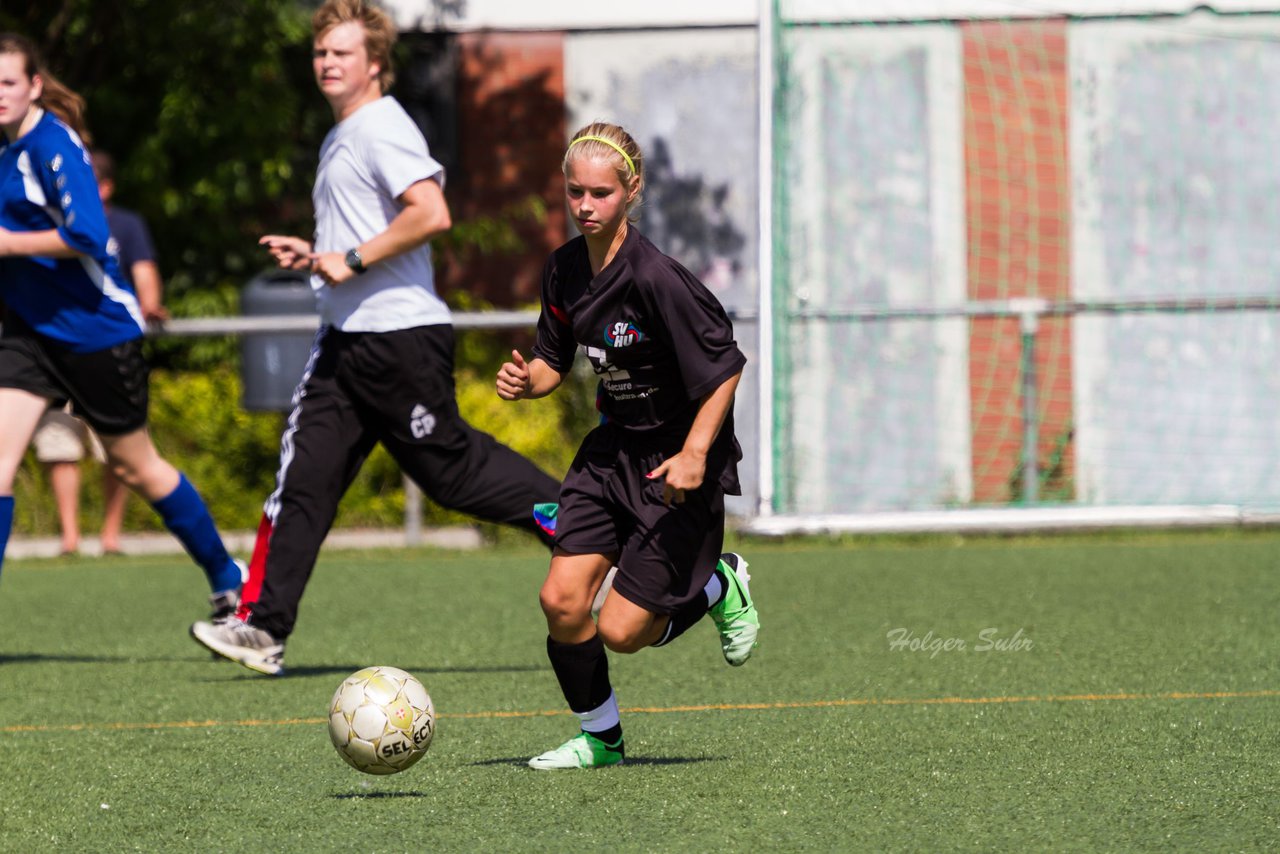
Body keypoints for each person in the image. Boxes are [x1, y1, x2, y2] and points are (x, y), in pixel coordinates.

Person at [189, 0, 560, 677]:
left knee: (453, 473)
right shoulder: (344, 133)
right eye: (321, 53)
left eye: (342, 53)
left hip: (398, 339)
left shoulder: (380, 127)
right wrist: (320, 254)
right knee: (303, 481)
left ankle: (581, 523)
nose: (327, 63)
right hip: (346, 340)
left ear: (377, 63)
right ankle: (262, 628)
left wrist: (353, 258)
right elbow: (371, 228)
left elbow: (431, 212)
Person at [495, 122, 760, 770]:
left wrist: (698, 454)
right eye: (575, 192)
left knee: (621, 631)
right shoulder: (563, 270)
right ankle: (601, 740)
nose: (585, 205)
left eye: (600, 194)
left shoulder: (657, 278)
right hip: (610, 454)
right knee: (561, 601)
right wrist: (529, 380)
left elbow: (726, 365)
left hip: (675, 461)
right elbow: (553, 361)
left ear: (630, 192)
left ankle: (719, 588)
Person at [0, 32, 243, 614]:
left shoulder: (56, 146)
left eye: (7, 82)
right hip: (27, 334)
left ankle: (226, 576)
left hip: (94, 332)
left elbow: (88, 234)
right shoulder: (6, 150)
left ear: (34, 85)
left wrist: (9, 245)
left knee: (137, 466)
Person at [30, 149, 167, 556]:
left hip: (108, 347)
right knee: (59, 445)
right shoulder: (44, 221)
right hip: (54, 350)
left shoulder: (124, 224)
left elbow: (144, 271)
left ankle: (111, 535)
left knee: (121, 452)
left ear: (105, 187)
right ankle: (70, 537)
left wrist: (150, 304)